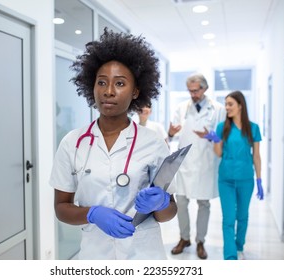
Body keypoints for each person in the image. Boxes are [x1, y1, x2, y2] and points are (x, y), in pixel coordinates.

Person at [49, 28, 177, 260]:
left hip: (144, 254)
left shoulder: (153, 143)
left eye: (119, 83)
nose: (108, 91)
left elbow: (168, 214)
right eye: (102, 82)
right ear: (92, 86)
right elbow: (61, 208)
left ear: (136, 91)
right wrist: (92, 214)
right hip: (94, 255)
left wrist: (161, 202)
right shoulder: (73, 143)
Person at [168, 73, 226, 259]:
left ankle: (201, 241)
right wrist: (170, 133)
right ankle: (184, 238)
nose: (193, 94)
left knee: (203, 203)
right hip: (185, 164)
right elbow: (172, 133)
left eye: (196, 90)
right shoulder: (181, 108)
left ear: (205, 88)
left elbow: (222, 137)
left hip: (205, 163)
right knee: (182, 202)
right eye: (190, 91)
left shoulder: (217, 109)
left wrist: (211, 137)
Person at [203, 90, 264, 260]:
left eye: (230, 104)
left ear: (240, 106)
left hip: (246, 179)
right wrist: (215, 140)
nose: (226, 107)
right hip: (226, 179)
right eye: (226, 104)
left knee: (242, 216)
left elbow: (256, 156)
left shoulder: (253, 128)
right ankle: (230, 256)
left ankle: (239, 246)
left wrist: (259, 180)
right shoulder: (223, 127)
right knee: (228, 218)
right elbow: (219, 153)